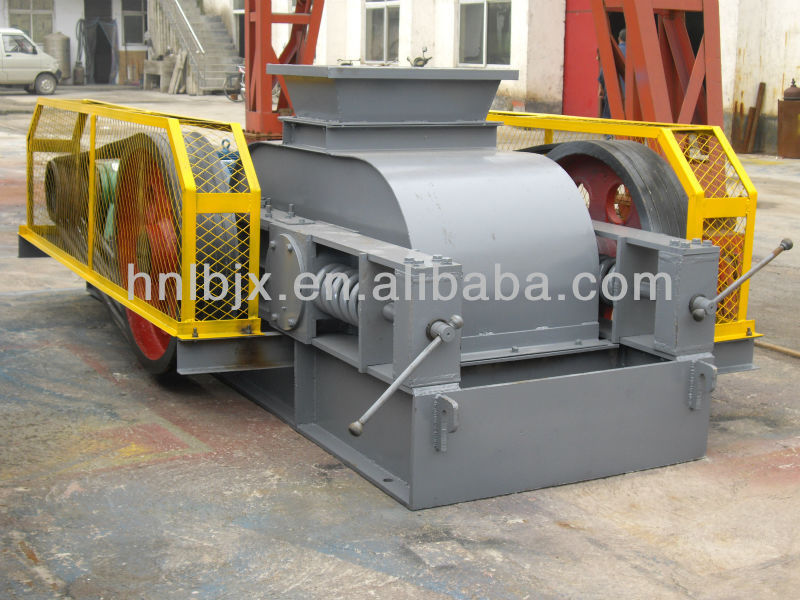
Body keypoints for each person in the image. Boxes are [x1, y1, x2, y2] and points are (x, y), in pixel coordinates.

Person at [598, 28, 627, 118]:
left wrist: (601, 87)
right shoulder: (635, 53)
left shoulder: (612, 52)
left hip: (613, 95)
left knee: (609, 120)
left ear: (619, 39)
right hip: (631, 99)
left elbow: (603, 73)